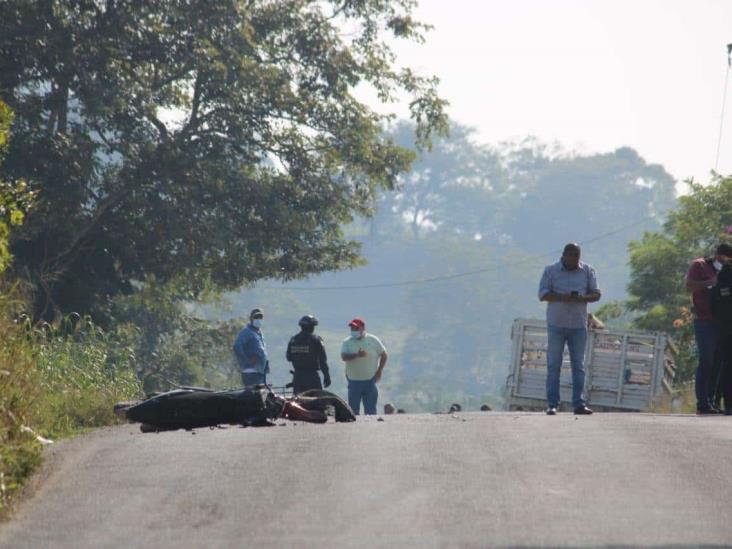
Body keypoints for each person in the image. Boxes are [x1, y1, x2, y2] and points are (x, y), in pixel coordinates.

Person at [539, 243, 601, 415]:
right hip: (556, 324)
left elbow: (596, 294)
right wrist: (561, 297)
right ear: (564, 255)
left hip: (578, 325)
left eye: (576, 257)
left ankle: (579, 404)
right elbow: (542, 294)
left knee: (578, 366)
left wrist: (582, 298)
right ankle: (552, 404)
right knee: (554, 365)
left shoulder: (587, 271)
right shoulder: (550, 271)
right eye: (570, 256)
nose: (573, 260)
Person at [686, 243, 732, 414]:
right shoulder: (699, 265)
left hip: (722, 322)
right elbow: (689, 285)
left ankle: (711, 401)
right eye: (724, 257)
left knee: (718, 363)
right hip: (704, 320)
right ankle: (702, 403)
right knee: (707, 360)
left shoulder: (727, 270)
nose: (725, 261)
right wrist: (710, 283)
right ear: (717, 254)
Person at [340, 317, 387, 415]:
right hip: (353, 381)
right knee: (353, 411)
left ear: (363, 328)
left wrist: (380, 370)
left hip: (370, 380)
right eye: (352, 329)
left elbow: (384, 354)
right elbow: (344, 357)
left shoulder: (373, 339)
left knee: (370, 411)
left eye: (356, 328)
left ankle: (371, 429)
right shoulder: (347, 342)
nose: (354, 331)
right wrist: (357, 355)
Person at [286, 315, 331, 394]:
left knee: (298, 403)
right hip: (312, 378)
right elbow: (323, 361)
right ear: (312, 327)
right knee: (316, 403)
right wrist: (326, 376)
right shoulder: (316, 340)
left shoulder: (293, 340)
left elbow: (289, 357)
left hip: (298, 377)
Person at [710, 260, 732, 414]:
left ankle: (718, 400)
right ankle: (726, 403)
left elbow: (713, 305)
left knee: (723, 366)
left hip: (722, 327)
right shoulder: (724, 279)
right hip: (726, 328)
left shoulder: (720, 280)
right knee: (727, 366)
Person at [232, 308, 269, 387]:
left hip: (260, 371)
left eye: (260, 317)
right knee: (253, 396)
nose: (258, 319)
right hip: (251, 372)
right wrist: (247, 360)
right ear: (251, 319)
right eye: (256, 317)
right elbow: (237, 346)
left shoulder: (259, 333)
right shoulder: (247, 331)